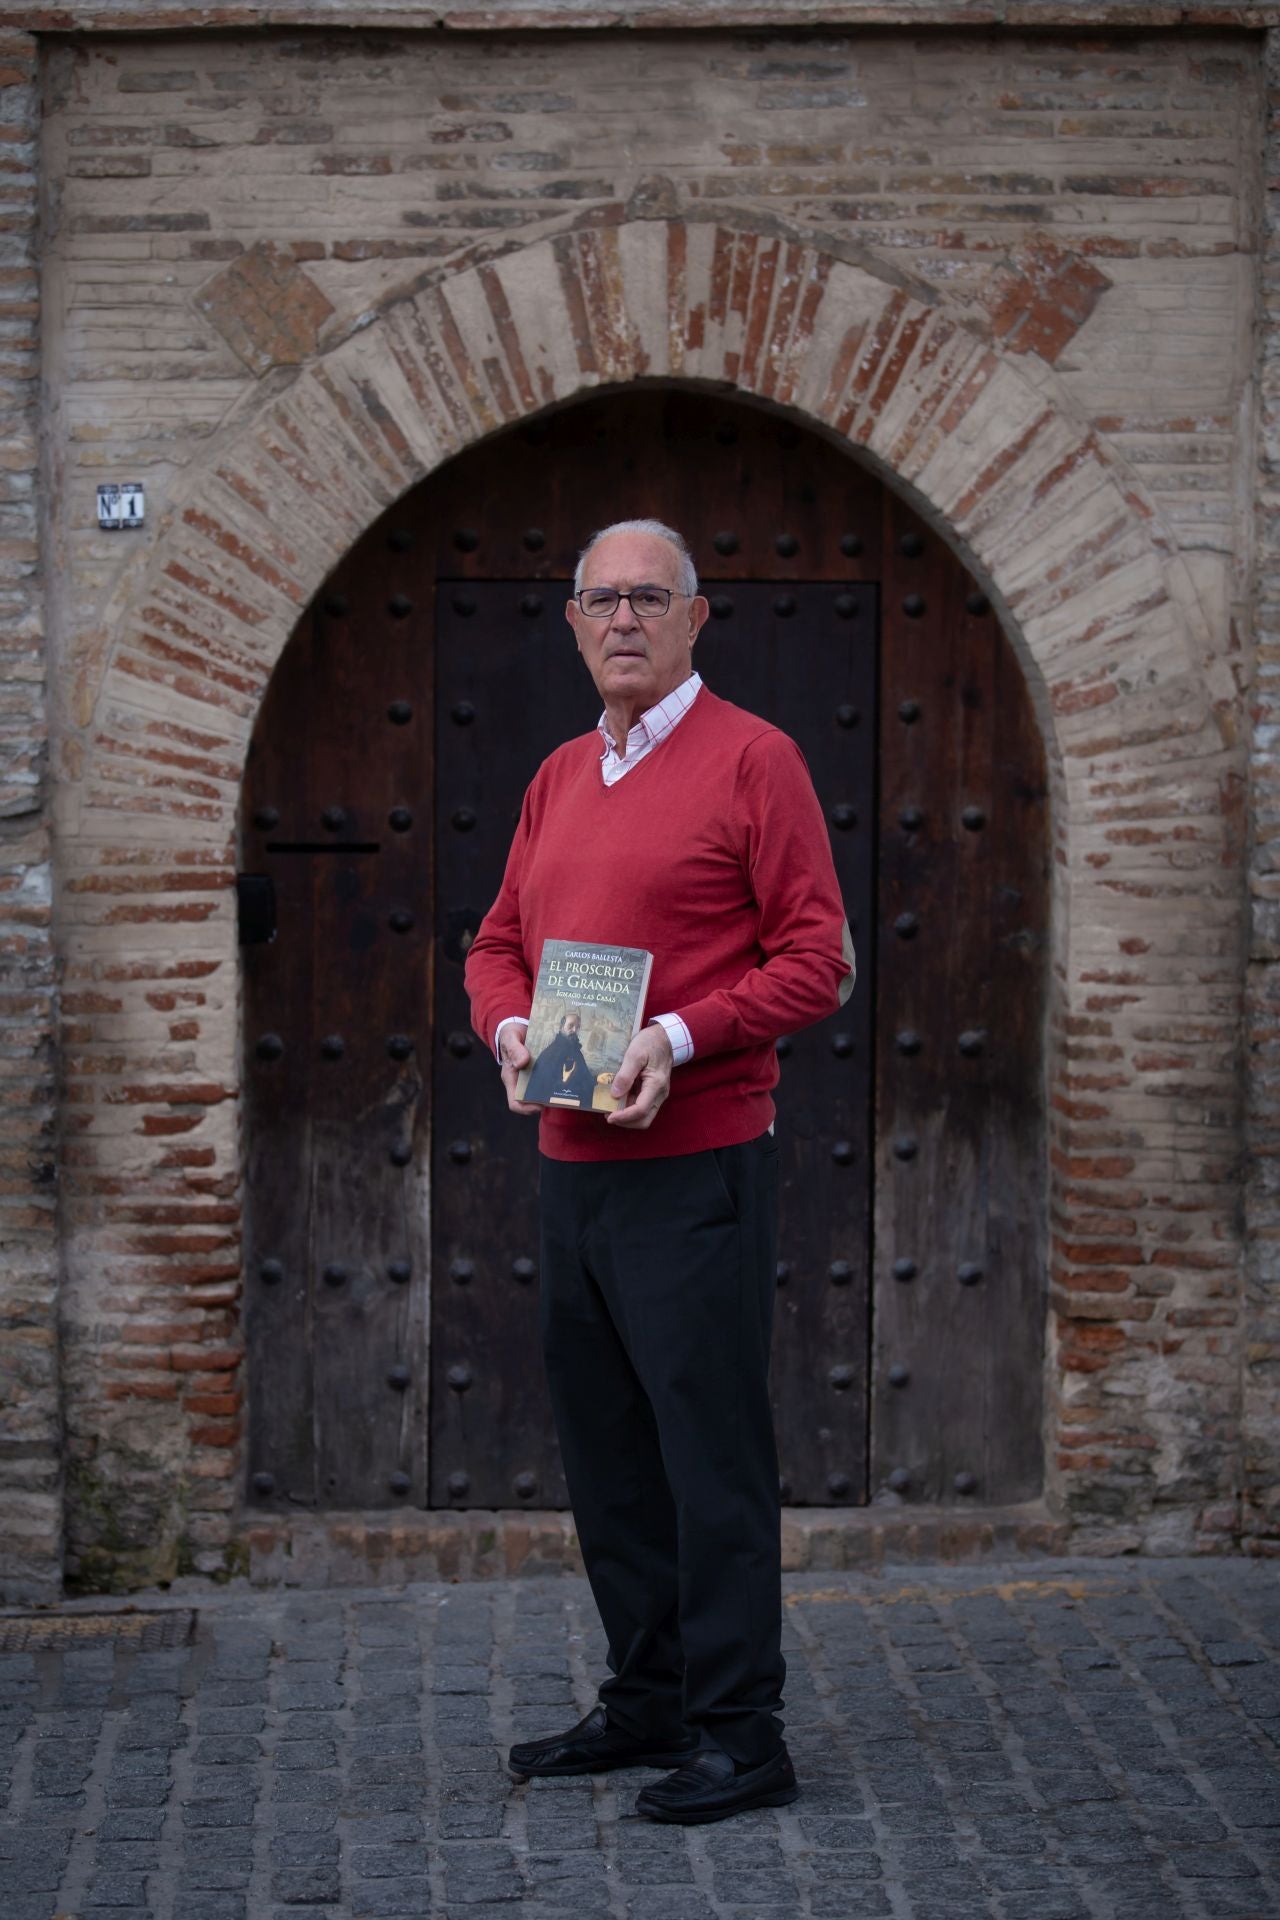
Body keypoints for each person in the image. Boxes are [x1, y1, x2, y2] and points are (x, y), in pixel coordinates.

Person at [464, 518, 855, 1825]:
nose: (622, 618)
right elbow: (496, 942)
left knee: (710, 1463)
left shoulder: (757, 760)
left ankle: (745, 1736)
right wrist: (510, 1025)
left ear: (698, 618)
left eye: (649, 596)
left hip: (698, 1170)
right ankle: (650, 1700)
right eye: (598, 598)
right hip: (575, 1166)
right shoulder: (560, 775)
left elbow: (818, 957)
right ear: (572, 625)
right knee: (612, 1461)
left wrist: (678, 1038)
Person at [523, 1009, 596, 1108]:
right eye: (570, 1026)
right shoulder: (551, 1053)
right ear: (561, 1027)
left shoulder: (575, 1051)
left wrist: (596, 1079)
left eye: (577, 1027)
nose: (574, 1030)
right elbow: (543, 1088)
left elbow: (584, 1077)